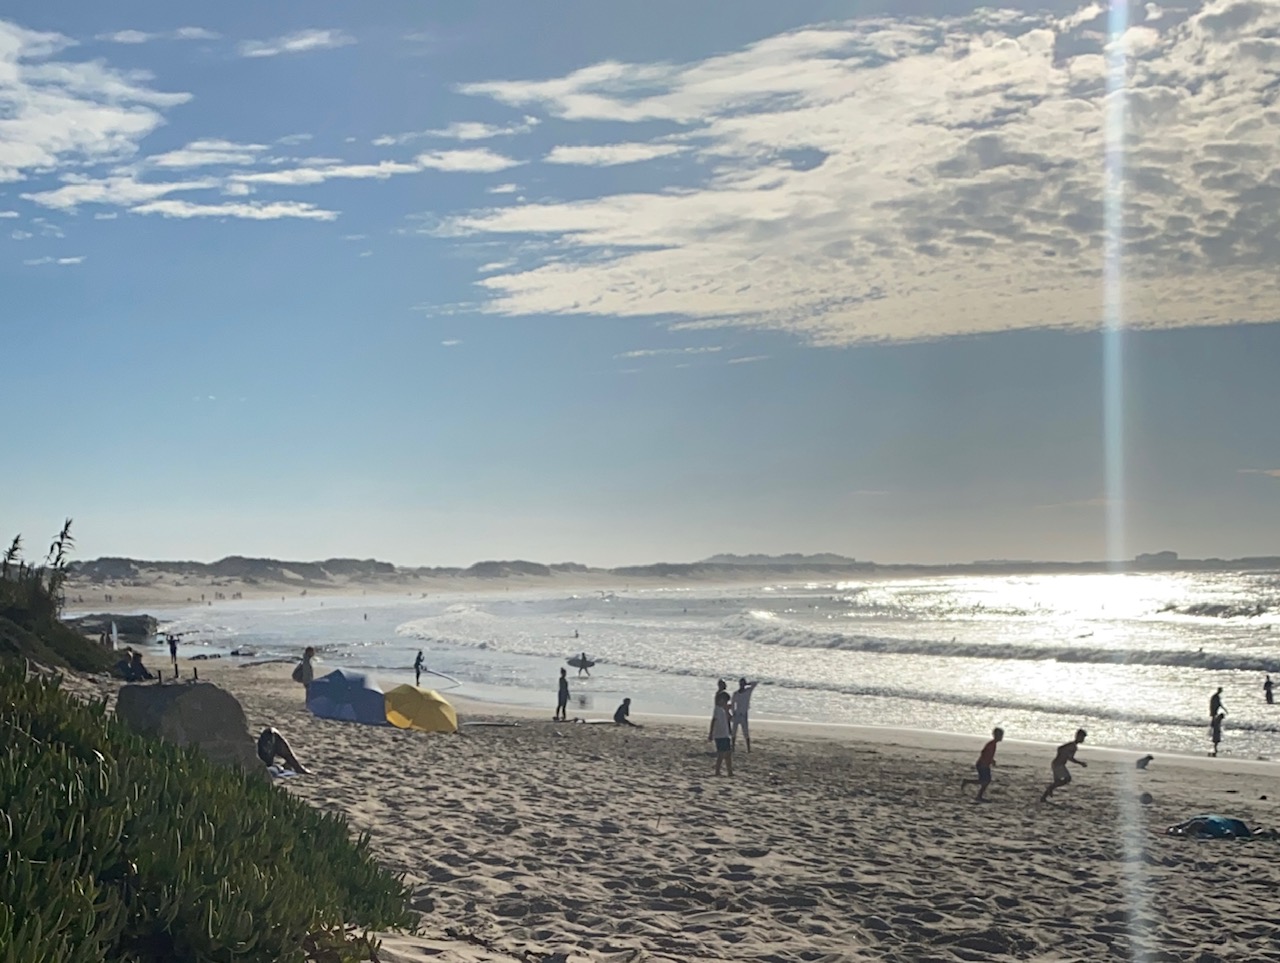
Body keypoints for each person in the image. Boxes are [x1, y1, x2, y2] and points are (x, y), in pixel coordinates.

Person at [1039, 729, 1087, 803]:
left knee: (1057, 782)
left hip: (1058, 764)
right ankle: (1049, 789)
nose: (1083, 739)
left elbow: (1067, 755)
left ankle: (1044, 796)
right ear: (1077, 736)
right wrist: (1079, 763)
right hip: (1058, 765)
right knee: (1067, 779)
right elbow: (1061, 750)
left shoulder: (1073, 746)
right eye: (1082, 737)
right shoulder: (1072, 746)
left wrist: (1078, 762)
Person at [961, 727, 1003, 802]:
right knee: (985, 781)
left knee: (985, 780)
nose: (1001, 737)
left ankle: (969, 784)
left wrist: (991, 760)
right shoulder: (991, 744)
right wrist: (986, 761)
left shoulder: (993, 744)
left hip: (985, 764)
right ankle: (977, 794)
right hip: (982, 765)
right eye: (1000, 735)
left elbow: (988, 754)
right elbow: (984, 752)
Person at [709, 690, 733, 777]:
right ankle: (717, 771)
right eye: (724, 700)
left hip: (725, 734)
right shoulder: (717, 709)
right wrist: (711, 733)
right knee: (721, 754)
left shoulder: (724, 709)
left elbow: (730, 719)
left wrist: (727, 710)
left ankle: (730, 771)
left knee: (728, 753)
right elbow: (713, 721)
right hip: (719, 735)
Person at [730, 677, 759, 752]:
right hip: (737, 714)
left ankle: (748, 749)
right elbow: (732, 704)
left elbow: (755, 683)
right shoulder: (736, 693)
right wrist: (733, 712)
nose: (742, 685)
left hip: (744, 714)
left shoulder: (748, 691)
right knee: (734, 732)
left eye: (743, 683)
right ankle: (733, 747)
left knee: (745, 732)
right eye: (741, 683)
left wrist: (747, 684)